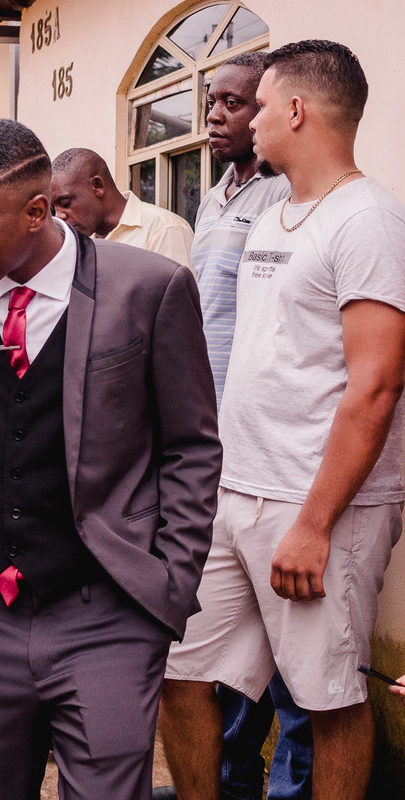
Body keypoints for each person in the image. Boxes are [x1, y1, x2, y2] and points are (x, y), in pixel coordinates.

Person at [0, 118, 221, 799]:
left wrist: (164, 586)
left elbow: (192, 447)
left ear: (37, 212)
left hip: (106, 614)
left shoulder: (151, 288)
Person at [161, 40, 405, 800]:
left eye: (261, 104)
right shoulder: (273, 217)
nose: (253, 119)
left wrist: (314, 521)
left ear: (296, 110)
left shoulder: (368, 222)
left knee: (328, 698)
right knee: (179, 673)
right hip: (234, 496)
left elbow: (376, 385)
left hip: (316, 509)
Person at [162, 51, 312, 800]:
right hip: (213, 448)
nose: (215, 116)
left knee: (297, 665)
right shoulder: (216, 196)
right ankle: (231, 783)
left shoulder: (291, 199)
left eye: (232, 102)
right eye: (209, 101)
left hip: (277, 458)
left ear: (275, 110)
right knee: (218, 655)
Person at [51, 147, 194, 265]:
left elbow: (180, 298)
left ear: (97, 186)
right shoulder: (79, 246)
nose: (59, 216)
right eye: (54, 209)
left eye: (65, 203)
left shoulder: (164, 230)